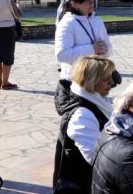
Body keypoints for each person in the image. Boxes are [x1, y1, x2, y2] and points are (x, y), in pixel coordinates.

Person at [54, 56, 115, 193]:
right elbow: (95, 158)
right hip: (79, 186)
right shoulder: (82, 115)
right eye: (106, 79)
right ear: (91, 81)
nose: (112, 82)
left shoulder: (98, 101)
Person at [55, 0, 113, 115]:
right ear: (75, 4)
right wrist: (91, 48)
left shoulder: (97, 20)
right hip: (74, 84)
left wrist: (105, 50)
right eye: (86, 0)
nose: (91, 3)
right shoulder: (67, 23)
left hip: (96, 82)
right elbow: (62, 54)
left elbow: (108, 48)